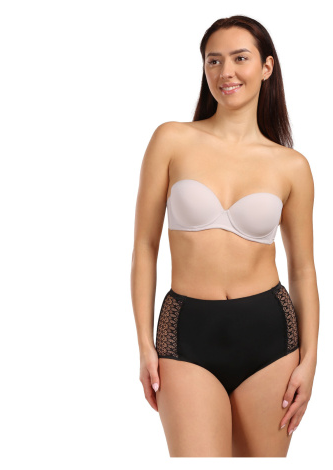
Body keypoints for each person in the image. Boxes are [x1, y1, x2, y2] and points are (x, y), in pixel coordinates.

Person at [131, 15, 319, 457]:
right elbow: (144, 248)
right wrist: (144, 344)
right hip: (186, 332)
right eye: (213, 61)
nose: (225, 72)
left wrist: (310, 359)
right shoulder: (171, 140)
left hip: (270, 336)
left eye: (240, 58)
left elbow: (303, 269)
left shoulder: (291, 166)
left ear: (267, 67)